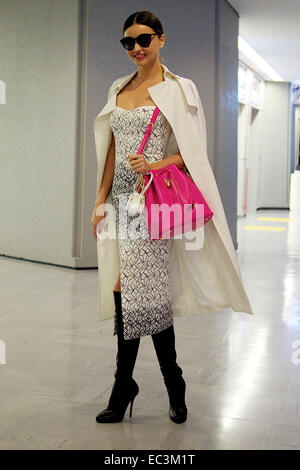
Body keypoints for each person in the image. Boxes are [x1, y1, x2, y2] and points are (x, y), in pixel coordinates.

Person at [91, 10, 254, 424]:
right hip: (122, 203)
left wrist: (155, 165)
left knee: (131, 287)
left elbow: (191, 152)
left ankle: (127, 384)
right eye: (128, 42)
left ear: (162, 39)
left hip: (151, 200)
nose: (137, 48)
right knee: (140, 291)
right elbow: (110, 149)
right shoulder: (118, 88)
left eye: (144, 39)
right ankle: (169, 382)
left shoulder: (179, 90)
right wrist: (99, 199)